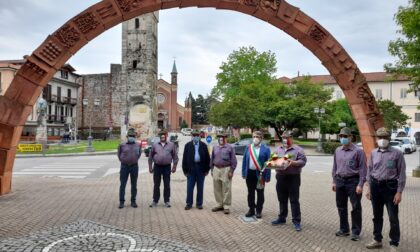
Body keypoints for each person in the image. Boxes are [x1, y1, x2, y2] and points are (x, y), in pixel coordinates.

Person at [365, 127, 406, 251]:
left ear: (389, 138)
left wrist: (399, 192)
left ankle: (394, 243)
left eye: (385, 137)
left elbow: (402, 174)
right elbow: (369, 171)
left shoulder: (397, 153)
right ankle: (377, 239)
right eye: (380, 137)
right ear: (376, 138)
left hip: (391, 187)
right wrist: (369, 188)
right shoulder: (373, 153)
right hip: (375, 186)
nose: (382, 140)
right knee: (377, 216)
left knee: (393, 217)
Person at [332, 127, 366, 241]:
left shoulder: (358, 151)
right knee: (341, 207)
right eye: (341, 136)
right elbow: (335, 167)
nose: (343, 138)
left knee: (355, 207)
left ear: (351, 137)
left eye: (345, 136)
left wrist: (360, 184)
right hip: (340, 181)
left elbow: (363, 169)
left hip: (353, 182)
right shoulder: (337, 150)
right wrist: (334, 181)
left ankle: (356, 232)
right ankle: (344, 229)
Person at [271, 131, 307, 231]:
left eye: (287, 137)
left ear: (291, 138)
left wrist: (293, 162)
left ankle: (296, 221)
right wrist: (273, 163)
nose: (285, 139)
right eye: (283, 137)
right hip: (281, 177)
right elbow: (272, 160)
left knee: (294, 200)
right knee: (282, 199)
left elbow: (303, 161)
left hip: (293, 178)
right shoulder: (278, 149)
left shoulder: (298, 149)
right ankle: (282, 218)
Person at [242, 131, 271, 219]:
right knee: (250, 193)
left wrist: (267, 176)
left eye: (257, 136)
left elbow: (268, 164)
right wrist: (244, 173)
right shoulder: (248, 147)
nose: (255, 138)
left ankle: (258, 211)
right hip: (250, 173)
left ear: (261, 138)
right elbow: (244, 161)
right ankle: (251, 209)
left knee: (260, 193)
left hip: (260, 174)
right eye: (254, 136)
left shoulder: (266, 149)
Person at [148, 130, 178, 208]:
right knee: (156, 184)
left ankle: (167, 201)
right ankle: (155, 200)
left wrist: (174, 166)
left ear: (166, 136)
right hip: (157, 167)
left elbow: (175, 157)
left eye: (164, 135)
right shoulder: (155, 145)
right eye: (161, 135)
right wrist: (150, 167)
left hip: (167, 167)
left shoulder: (171, 145)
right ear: (159, 136)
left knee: (167, 184)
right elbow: (150, 157)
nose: (163, 136)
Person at [182, 130, 211, 210]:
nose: (195, 137)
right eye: (194, 135)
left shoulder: (204, 145)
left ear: (199, 136)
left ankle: (199, 204)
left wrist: (206, 170)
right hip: (191, 169)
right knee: (190, 187)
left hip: (200, 169)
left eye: (197, 135)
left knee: (200, 187)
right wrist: (185, 171)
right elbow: (184, 159)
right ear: (192, 136)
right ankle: (189, 203)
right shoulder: (187, 145)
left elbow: (208, 159)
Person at [210, 133, 237, 214]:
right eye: (219, 138)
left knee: (226, 188)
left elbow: (234, 160)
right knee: (217, 188)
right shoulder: (215, 147)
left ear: (226, 138)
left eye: (223, 138)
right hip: (216, 168)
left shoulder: (230, 148)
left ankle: (226, 206)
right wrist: (211, 169)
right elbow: (212, 159)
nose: (221, 139)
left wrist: (231, 171)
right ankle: (219, 204)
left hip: (226, 169)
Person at [117, 128, 141, 209]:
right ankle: (121, 202)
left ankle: (133, 201)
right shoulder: (122, 145)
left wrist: (134, 160)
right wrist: (124, 161)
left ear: (135, 137)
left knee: (134, 185)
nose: (132, 137)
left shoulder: (138, 145)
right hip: (124, 167)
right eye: (130, 136)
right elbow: (119, 155)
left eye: (133, 136)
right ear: (127, 137)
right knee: (123, 185)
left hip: (134, 166)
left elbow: (139, 154)